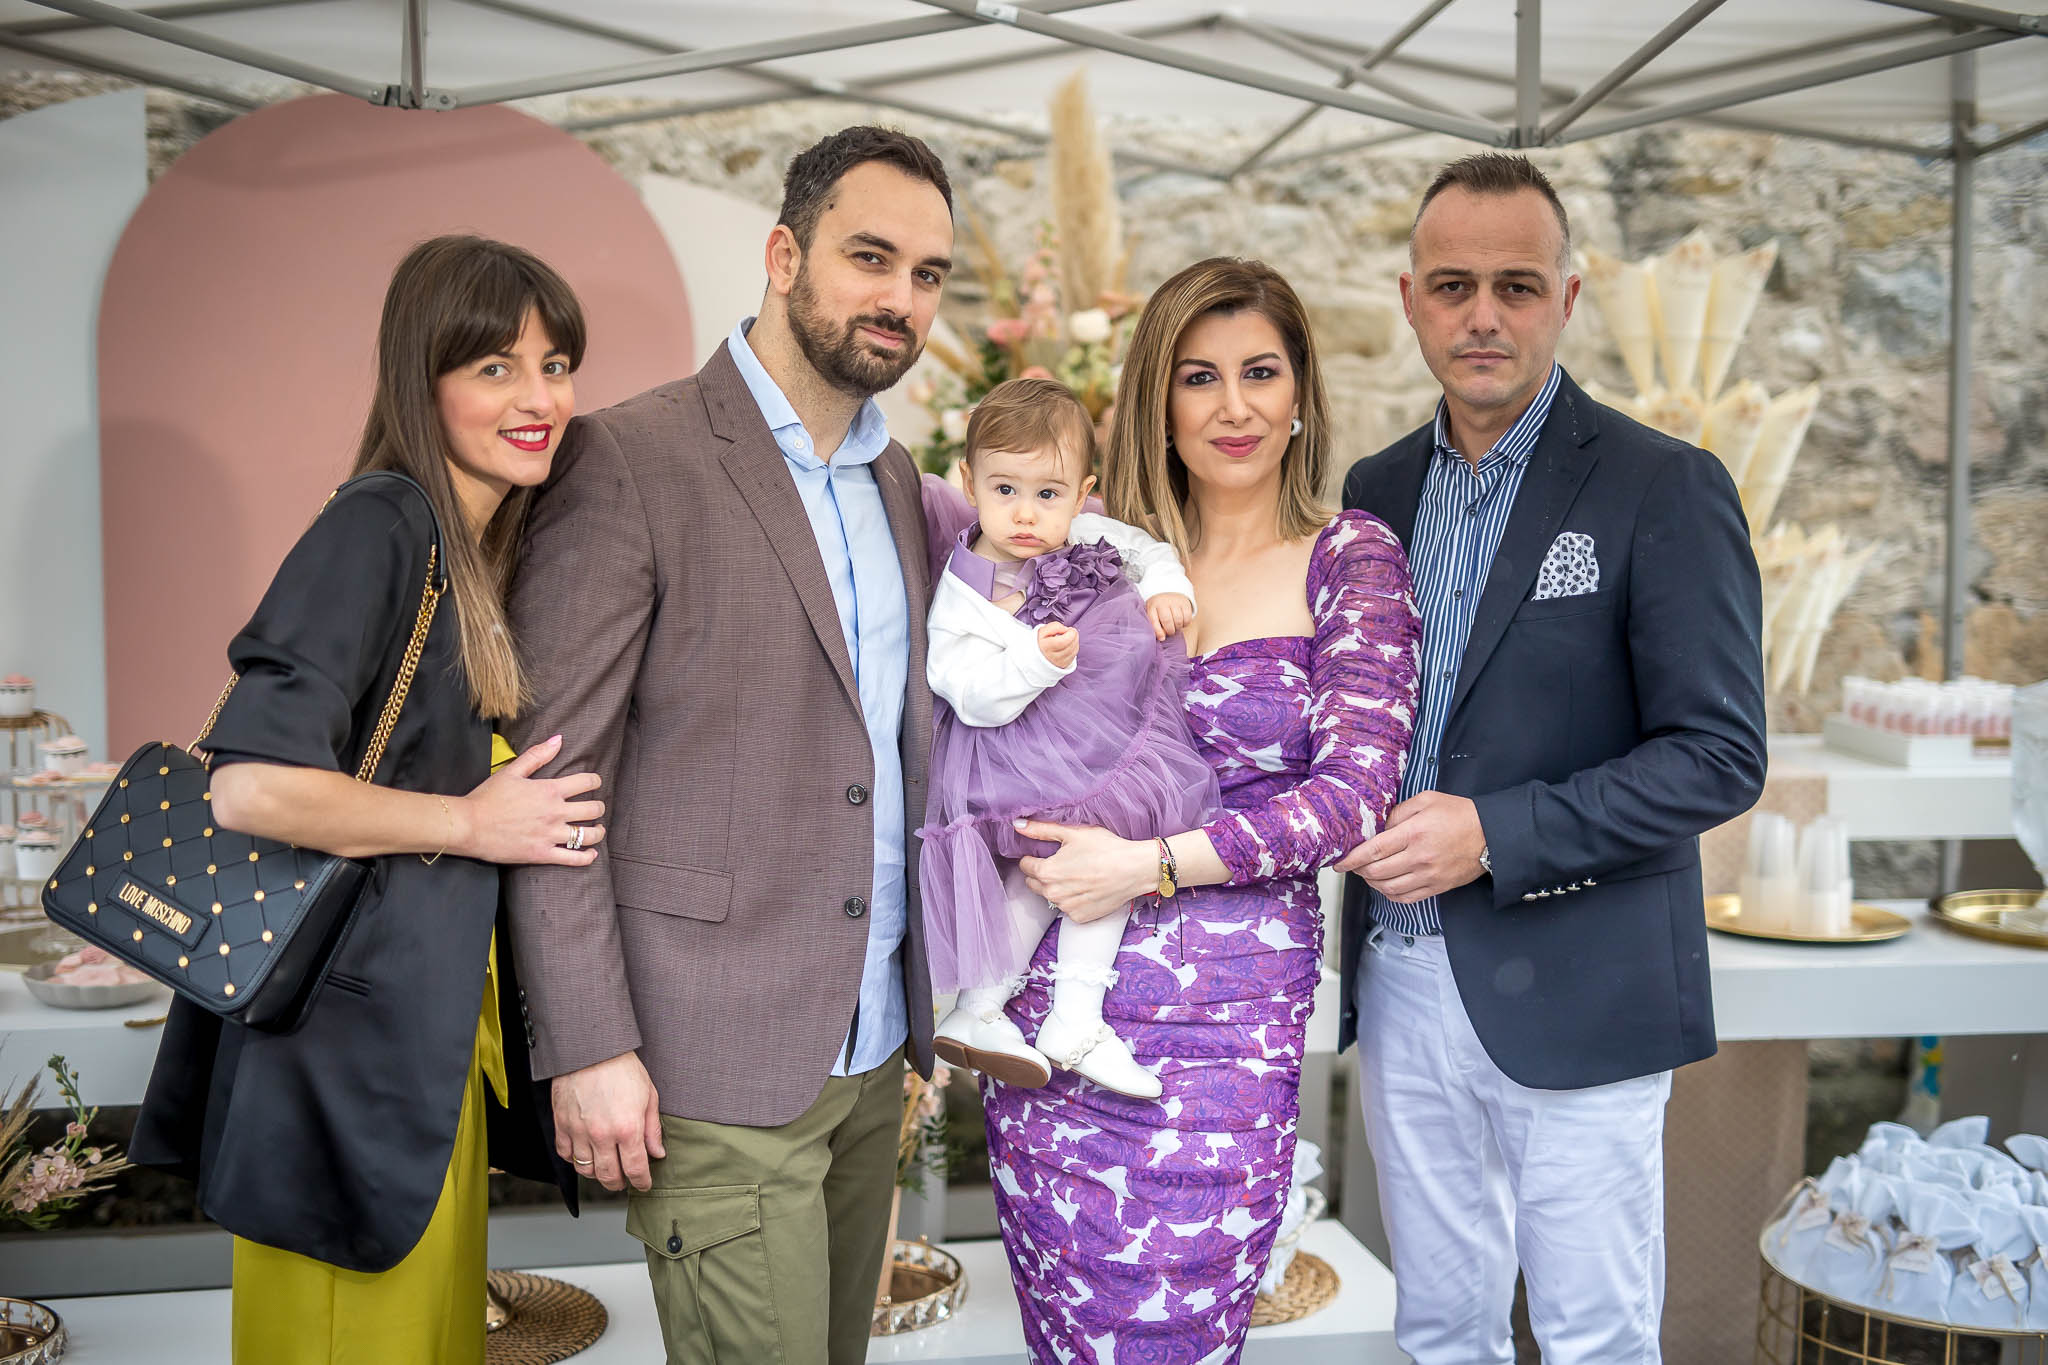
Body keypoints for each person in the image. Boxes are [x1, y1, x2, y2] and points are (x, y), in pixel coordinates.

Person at [498, 126, 953, 1365]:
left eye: (927, 274)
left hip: (870, 1058)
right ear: (782, 255)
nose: (900, 298)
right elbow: (552, 782)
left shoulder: (900, 482)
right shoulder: (627, 458)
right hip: (705, 1061)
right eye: (870, 258)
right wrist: (588, 1043)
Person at [130, 234, 602, 1364]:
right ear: (420, 378)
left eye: (554, 365)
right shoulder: (381, 525)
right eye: (494, 367)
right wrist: (471, 822)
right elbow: (250, 787)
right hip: (338, 1071)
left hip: (412, 1057)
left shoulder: (462, 544)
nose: (538, 399)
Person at [1333, 153, 1767, 1364]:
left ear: (1565, 299)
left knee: (1593, 1340)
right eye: (1453, 286)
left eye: (1515, 287)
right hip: (1399, 977)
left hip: (1582, 984)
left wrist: (1493, 834)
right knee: (1439, 1331)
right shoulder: (1374, 491)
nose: (1482, 316)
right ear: (1410, 300)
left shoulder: (1661, 485)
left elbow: (1718, 754)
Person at [977, 257, 1421, 1361]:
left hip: (1226, 1027)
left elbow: (1351, 800)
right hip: (1052, 1010)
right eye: (1199, 376)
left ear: (1300, 392)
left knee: (1175, 1330)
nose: (1233, 407)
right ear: (1157, 400)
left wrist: (1149, 864)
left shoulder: (1348, 556)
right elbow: (991, 729)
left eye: (1260, 372)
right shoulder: (1090, 556)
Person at [921, 376, 1213, 1101]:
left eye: (1048, 494)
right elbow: (961, 685)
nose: (1026, 514)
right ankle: (1062, 1018)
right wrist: (1033, 660)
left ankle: (994, 1009)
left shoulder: (1085, 533)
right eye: (1005, 490)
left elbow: (1146, 549)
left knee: (1075, 867)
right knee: (1079, 859)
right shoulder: (963, 589)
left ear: (1082, 494)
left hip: (1088, 740)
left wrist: (1166, 588)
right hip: (1010, 756)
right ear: (970, 483)